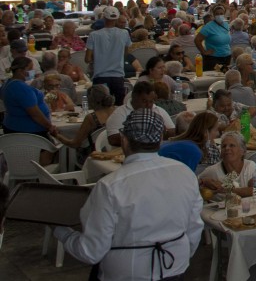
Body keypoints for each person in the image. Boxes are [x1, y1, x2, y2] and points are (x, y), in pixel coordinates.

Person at [55, 108, 203, 279]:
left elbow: (91, 251)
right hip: (175, 268)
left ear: (124, 140)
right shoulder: (185, 174)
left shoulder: (110, 186)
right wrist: (178, 256)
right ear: (160, 139)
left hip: (127, 274)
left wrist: (61, 232)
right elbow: (194, 230)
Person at [86, 7, 132, 104]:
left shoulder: (94, 35)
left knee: (99, 108)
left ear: (103, 17)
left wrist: (98, 57)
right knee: (119, 108)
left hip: (100, 76)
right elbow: (126, 53)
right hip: (118, 76)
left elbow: (87, 58)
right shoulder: (124, 33)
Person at [198, 131, 256, 199]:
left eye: (232, 145)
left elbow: (255, 190)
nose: (227, 148)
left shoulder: (250, 166)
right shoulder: (213, 171)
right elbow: (194, 183)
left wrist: (226, 189)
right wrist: (203, 181)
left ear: (243, 151)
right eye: (224, 146)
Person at [195, 5, 233, 71]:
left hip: (227, 56)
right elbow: (197, 40)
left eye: (221, 13)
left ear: (224, 14)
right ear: (213, 15)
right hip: (213, 58)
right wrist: (204, 52)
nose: (219, 15)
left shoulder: (226, 25)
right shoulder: (209, 27)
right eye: (217, 14)